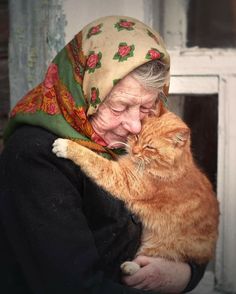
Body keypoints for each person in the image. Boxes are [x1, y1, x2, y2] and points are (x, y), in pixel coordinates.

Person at [0, 16, 206, 293]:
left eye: (146, 108)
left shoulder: (142, 139)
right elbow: (72, 287)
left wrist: (183, 274)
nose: (134, 126)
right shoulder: (36, 157)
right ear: (85, 91)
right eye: (119, 108)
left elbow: (192, 221)